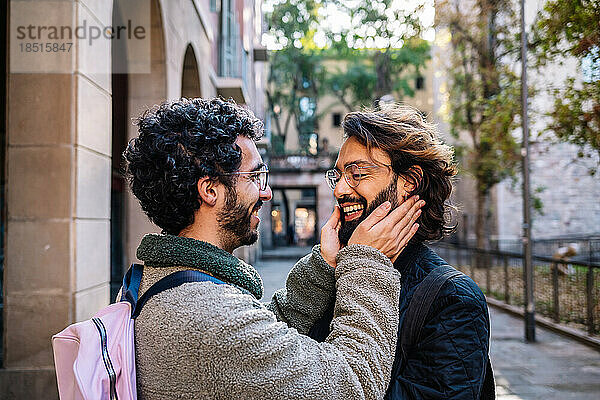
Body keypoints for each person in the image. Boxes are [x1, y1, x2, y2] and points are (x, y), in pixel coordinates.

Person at [122, 97, 423, 400]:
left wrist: (324, 265)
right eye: (255, 176)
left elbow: (263, 348)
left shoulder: (165, 285)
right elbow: (352, 384)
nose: (265, 192)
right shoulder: (211, 317)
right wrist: (368, 263)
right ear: (210, 190)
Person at [313, 105, 491, 399]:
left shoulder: (453, 299)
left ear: (409, 181)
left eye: (357, 173)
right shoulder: (333, 272)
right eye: (339, 175)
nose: (340, 190)